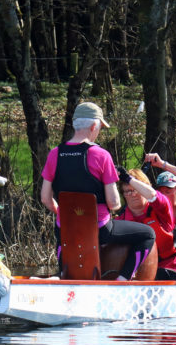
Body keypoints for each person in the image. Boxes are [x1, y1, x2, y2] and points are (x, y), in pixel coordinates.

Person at [40, 102, 155, 280]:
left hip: (66, 229)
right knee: (148, 234)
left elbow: (45, 199)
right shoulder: (102, 155)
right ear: (94, 126)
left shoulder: (54, 154)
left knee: (61, 231)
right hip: (100, 229)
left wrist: (64, 214)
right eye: (100, 127)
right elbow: (114, 204)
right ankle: (123, 279)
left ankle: (63, 274)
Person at [116, 168, 176, 271]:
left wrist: (128, 179)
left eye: (136, 190)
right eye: (127, 191)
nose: (133, 195)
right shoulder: (120, 222)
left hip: (169, 268)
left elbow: (153, 195)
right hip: (138, 273)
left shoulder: (161, 209)